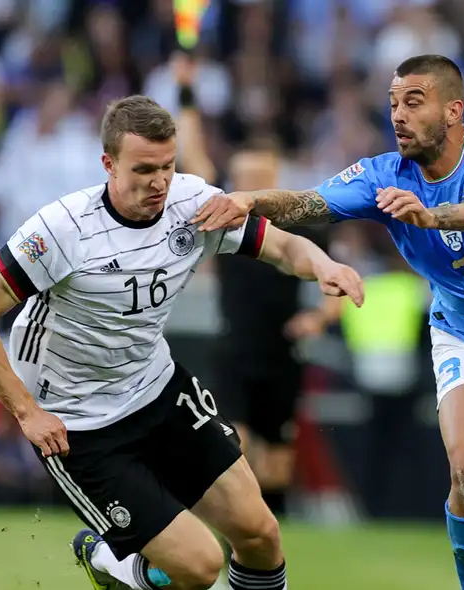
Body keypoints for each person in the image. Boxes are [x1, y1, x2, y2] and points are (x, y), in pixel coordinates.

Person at [193, 54, 464, 590]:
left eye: (414, 102)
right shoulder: (383, 176)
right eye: (393, 104)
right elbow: (309, 203)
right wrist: (250, 200)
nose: (399, 115)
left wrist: (432, 216)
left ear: (453, 110)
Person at [0, 95, 364, 590]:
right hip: (79, 424)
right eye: (144, 169)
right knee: (199, 567)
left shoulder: (191, 204)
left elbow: (280, 244)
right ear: (108, 164)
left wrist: (323, 266)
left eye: (167, 166)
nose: (159, 182)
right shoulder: (61, 230)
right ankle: (105, 557)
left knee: (260, 534)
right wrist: (26, 412)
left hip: (158, 392)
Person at [171, 52, 321, 517]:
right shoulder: (223, 217)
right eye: (245, 177)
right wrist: (186, 92)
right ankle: (240, 530)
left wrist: (318, 317)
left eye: (261, 177)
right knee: (237, 445)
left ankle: (268, 532)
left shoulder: (299, 224)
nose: (251, 184)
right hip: (236, 351)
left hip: (282, 355)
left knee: (276, 462)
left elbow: (334, 279)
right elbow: (193, 153)